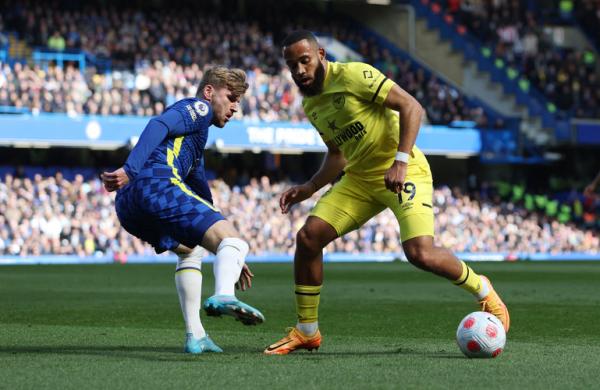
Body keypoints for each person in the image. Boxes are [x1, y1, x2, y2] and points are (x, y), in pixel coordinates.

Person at [264, 31, 510, 355]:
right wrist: (310, 187)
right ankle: (307, 331)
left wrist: (401, 160)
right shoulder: (312, 104)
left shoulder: (354, 74)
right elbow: (338, 154)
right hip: (361, 179)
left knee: (420, 253)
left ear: (321, 54)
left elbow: (412, 106)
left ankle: (484, 290)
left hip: (403, 169)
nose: (298, 70)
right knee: (309, 238)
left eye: (304, 60)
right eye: (291, 64)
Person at [101, 66, 265, 354]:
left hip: (128, 206)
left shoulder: (194, 141)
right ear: (209, 91)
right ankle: (224, 295)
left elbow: (199, 188)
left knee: (192, 249)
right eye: (231, 97)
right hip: (155, 184)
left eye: (239, 101)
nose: (235, 107)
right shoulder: (198, 109)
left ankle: (196, 336)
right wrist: (130, 169)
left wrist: (226, 252)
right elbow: (158, 124)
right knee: (238, 240)